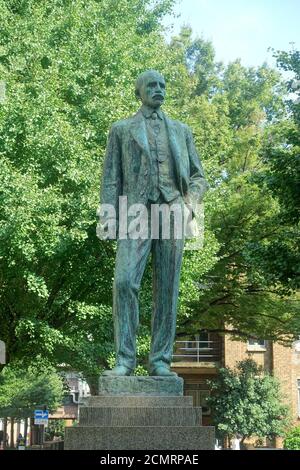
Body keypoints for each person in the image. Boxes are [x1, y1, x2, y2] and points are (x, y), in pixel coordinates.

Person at [99, 70, 209, 376]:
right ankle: (125, 360)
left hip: (173, 211)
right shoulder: (121, 130)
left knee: (167, 290)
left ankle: (160, 361)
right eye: (152, 85)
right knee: (124, 282)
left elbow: (199, 177)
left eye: (162, 85)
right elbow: (111, 179)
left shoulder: (181, 131)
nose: (158, 89)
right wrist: (108, 218)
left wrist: (190, 203)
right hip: (136, 213)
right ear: (139, 92)